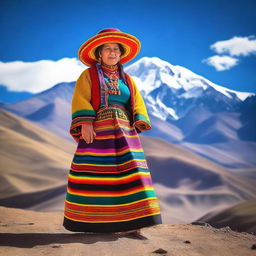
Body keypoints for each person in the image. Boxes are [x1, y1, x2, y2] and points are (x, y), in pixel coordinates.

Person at [63, 28, 162, 239]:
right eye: (107, 49)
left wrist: (140, 119)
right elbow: (80, 98)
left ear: (121, 53)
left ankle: (134, 224)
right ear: (99, 54)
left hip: (125, 134)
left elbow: (137, 102)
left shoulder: (127, 78)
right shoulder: (88, 75)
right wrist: (86, 123)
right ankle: (92, 222)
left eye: (116, 49)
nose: (112, 52)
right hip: (98, 132)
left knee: (131, 175)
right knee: (94, 176)